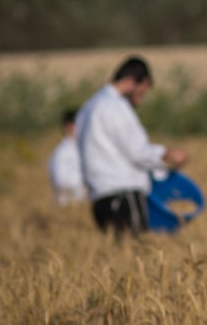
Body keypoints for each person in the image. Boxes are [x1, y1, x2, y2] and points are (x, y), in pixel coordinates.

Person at [76, 56, 188, 236]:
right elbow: (137, 152)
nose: (140, 100)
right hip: (123, 196)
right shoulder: (116, 107)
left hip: (99, 199)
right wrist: (168, 154)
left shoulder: (89, 106)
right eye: (140, 93)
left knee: (114, 259)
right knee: (133, 256)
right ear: (129, 83)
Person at [48, 107, 87, 206]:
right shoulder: (61, 153)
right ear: (69, 126)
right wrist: (85, 184)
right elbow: (61, 181)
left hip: (82, 205)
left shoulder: (83, 148)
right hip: (68, 206)